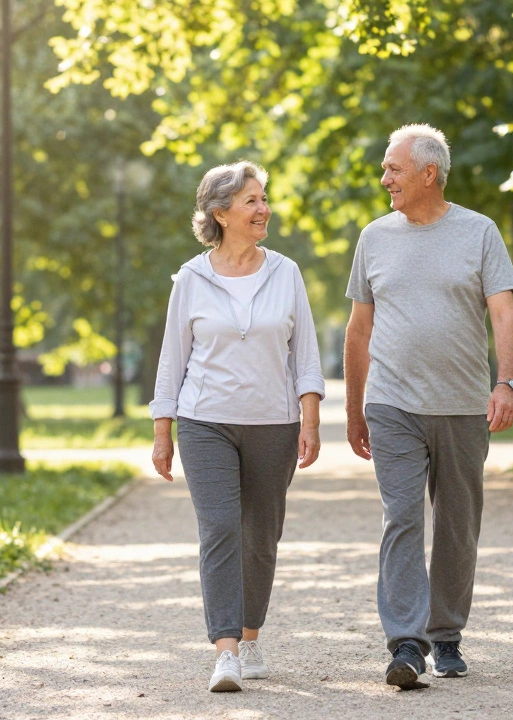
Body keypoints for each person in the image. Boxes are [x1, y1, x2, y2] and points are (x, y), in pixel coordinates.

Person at [343, 124, 513, 688]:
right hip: (392, 403)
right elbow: (359, 329)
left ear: (428, 173)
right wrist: (354, 409)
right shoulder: (374, 237)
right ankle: (405, 642)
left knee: (457, 523)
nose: (384, 178)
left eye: (393, 168)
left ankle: (446, 634)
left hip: (463, 405)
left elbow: (504, 313)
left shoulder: (479, 231)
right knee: (401, 517)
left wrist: (506, 383)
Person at [151, 160, 325, 692]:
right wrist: (162, 430)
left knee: (262, 535)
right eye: (252, 201)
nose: (264, 209)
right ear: (221, 213)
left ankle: (250, 637)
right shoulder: (192, 277)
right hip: (205, 421)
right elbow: (172, 358)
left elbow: (305, 353)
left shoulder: (286, 272)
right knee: (220, 528)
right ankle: (225, 651)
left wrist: (311, 420)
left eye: (264, 199)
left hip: (274, 422)